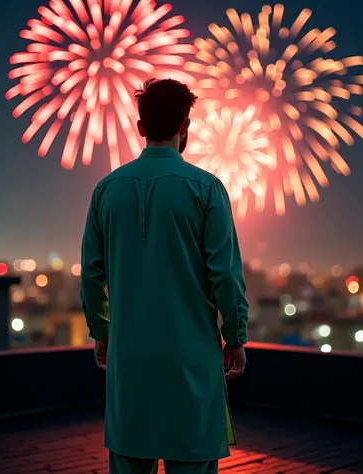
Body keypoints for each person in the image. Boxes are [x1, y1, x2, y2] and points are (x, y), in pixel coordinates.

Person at [80, 78, 249, 474]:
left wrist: (101, 333)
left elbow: (91, 275)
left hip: (130, 360)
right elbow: (225, 276)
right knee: (193, 460)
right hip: (191, 360)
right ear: (185, 126)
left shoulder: (106, 190)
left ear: (141, 128)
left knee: (129, 459)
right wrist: (236, 337)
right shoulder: (207, 190)